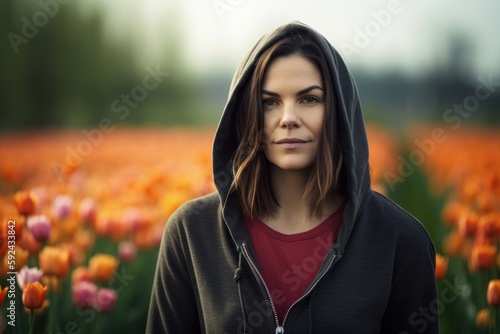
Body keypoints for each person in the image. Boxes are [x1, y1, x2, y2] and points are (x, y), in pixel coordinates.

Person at [146, 21, 438, 333]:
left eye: (309, 99)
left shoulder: (399, 240)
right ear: (245, 114)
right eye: (269, 102)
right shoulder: (192, 233)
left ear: (338, 111)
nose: (288, 119)